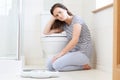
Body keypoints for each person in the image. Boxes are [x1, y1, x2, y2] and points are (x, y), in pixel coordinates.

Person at [43, 3, 93, 71]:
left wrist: (60, 54)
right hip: (72, 52)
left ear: (65, 9)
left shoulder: (77, 19)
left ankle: (83, 66)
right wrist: (52, 19)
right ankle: (74, 64)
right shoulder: (64, 25)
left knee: (56, 66)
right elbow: (46, 32)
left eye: (60, 12)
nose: (59, 16)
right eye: (57, 15)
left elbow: (75, 40)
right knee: (49, 66)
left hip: (83, 53)